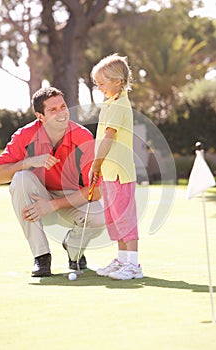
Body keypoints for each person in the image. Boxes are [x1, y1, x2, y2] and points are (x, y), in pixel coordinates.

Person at [0, 87, 105, 277]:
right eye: (53, 110)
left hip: (70, 199)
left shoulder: (83, 136)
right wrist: (27, 162)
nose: (61, 113)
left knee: (100, 217)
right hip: (38, 197)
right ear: (40, 116)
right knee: (20, 178)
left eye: (63, 106)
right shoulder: (24, 135)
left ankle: (73, 247)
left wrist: (51, 205)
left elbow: (96, 191)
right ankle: (41, 256)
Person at [89, 53, 143, 280]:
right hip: (109, 174)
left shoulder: (120, 105)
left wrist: (95, 164)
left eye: (102, 83)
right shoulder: (110, 104)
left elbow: (108, 139)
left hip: (120, 174)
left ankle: (133, 265)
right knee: (114, 218)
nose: (99, 87)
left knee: (125, 218)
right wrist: (100, 168)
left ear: (118, 81)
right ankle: (122, 259)